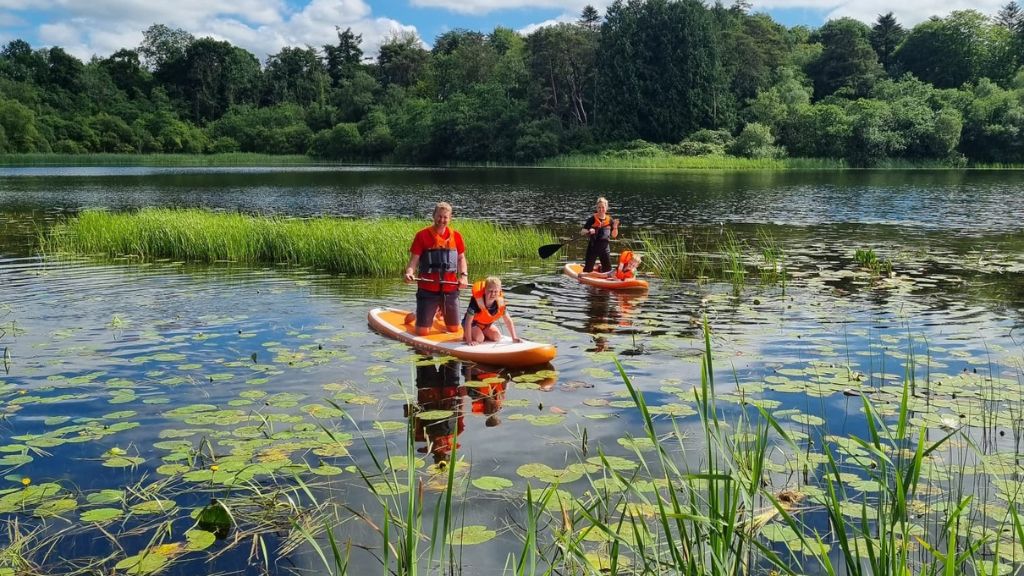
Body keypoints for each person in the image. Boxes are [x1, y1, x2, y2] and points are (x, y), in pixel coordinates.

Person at [403, 202, 469, 336]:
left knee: (454, 329)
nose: (442, 220)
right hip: (428, 289)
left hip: (450, 289)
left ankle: (437, 311)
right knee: (422, 332)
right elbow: (414, 260)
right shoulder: (421, 236)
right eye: (439, 216)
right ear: (433, 216)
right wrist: (409, 272)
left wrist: (464, 276)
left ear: (450, 218)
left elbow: (461, 258)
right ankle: (419, 314)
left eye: (445, 217)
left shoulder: (456, 236)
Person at [462, 276, 521, 346]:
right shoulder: (476, 301)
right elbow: (468, 322)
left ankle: (480, 333)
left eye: (496, 291)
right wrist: (469, 341)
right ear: (485, 290)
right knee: (479, 338)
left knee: (497, 337)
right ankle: (467, 335)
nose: (493, 294)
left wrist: (514, 337)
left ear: (499, 292)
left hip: (486, 325)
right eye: (490, 291)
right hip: (472, 324)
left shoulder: (500, 303)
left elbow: (508, 320)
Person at [580, 197, 619, 273]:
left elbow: (614, 235)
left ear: (606, 208)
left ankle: (600, 269)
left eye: (603, 207)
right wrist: (589, 230)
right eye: (599, 207)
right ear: (596, 208)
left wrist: (615, 228)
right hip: (593, 248)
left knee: (608, 271)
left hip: (605, 249)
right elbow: (582, 232)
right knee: (587, 270)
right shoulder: (592, 219)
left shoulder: (610, 220)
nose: (601, 209)